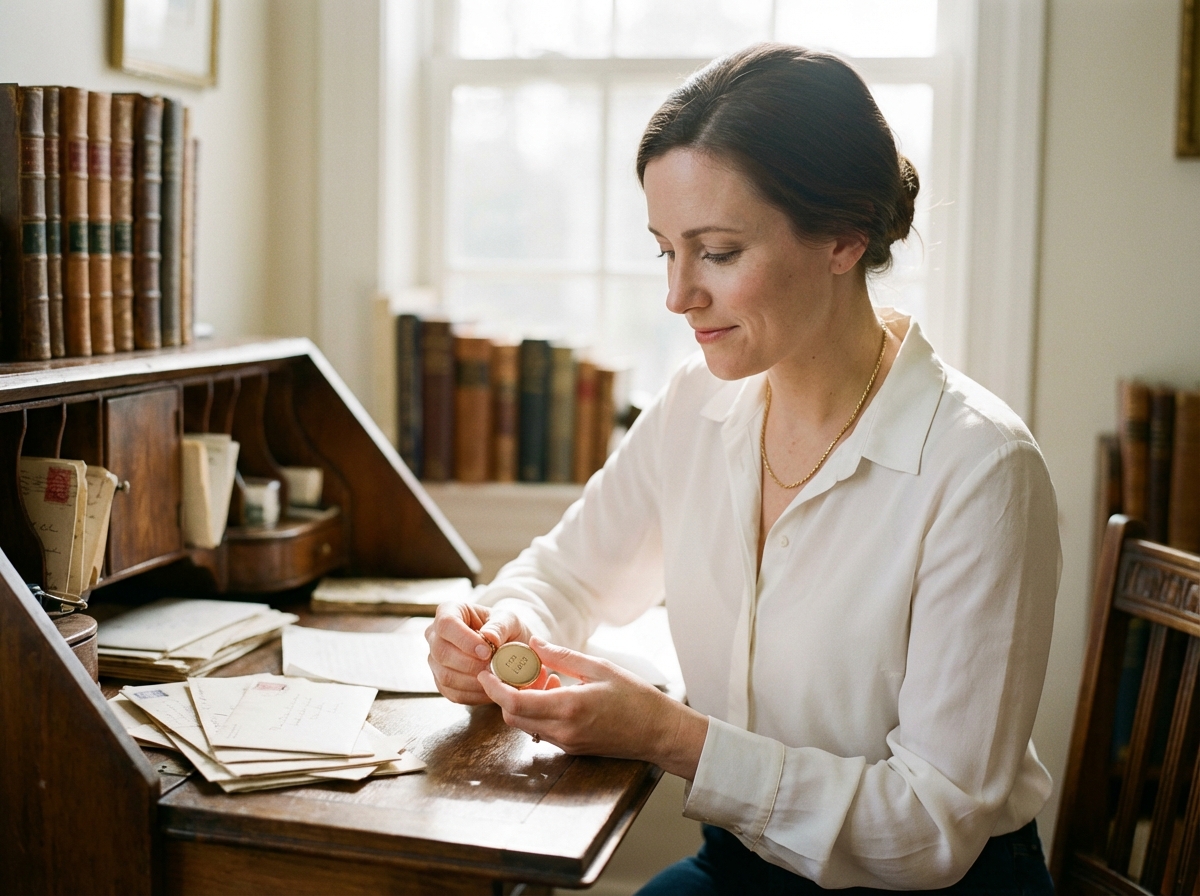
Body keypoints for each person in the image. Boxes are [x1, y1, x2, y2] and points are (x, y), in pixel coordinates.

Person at [426, 43, 1060, 894]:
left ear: (845, 234)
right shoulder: (696, 403)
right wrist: (495, 628)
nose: (678, 295)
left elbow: (929, 828)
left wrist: (670, 736)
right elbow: (564, 577)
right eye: (665, 251)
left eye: (718, 252)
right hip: (743, 867)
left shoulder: (982, 470)